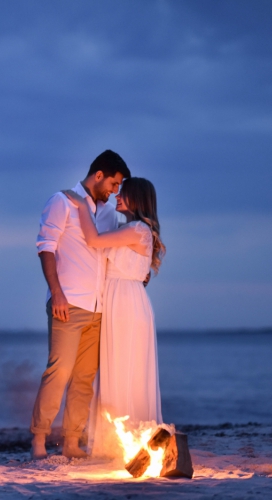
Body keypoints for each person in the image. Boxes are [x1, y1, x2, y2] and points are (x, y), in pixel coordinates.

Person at [30, 150, 131, 459]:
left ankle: (72, 442)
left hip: (98, 308)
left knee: (85, 377)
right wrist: (56, 291)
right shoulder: (62, 201)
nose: (116, 192)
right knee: (59, 371)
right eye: (114, 184)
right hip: (68, 302)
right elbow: (45, 247)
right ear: (98, 175)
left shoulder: (110, 216)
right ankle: (38, 440)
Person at [63, 177, 165, 457]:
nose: (118, 195)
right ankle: (122, 443)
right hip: (119, 300)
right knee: (118, 369)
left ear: (138, 199)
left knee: (126, 368)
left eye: (125, 193)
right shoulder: (129, 229)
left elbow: (93, 240)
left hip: (126, 304)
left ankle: (131, 442)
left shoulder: (137, 229)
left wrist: (83, 207)